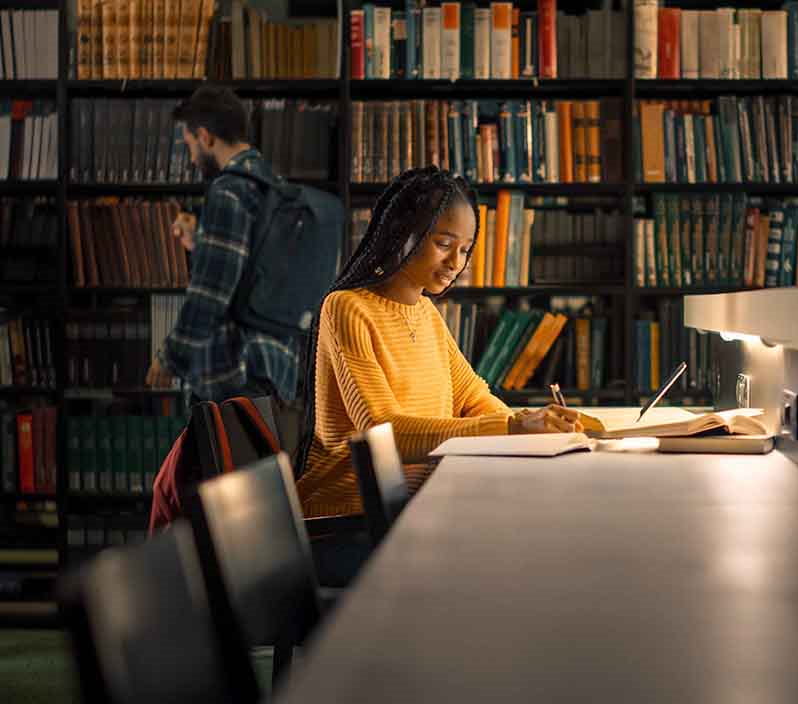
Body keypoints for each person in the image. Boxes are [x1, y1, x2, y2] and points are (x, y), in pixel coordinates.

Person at [294, 166, 581, 520]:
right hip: (351, 514)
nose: (455, 263)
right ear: (402, 233)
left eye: (465, 250)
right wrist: (510, 427)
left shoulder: (426, 313)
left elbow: (475, 400)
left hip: (417, 505)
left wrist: (533, 425)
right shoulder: (346, 308)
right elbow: (383, 433)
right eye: (443, 244)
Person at [145, 86, 300, 403]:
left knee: (227, 454)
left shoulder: (228, 191)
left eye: (189, 145)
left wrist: (169, 357)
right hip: (278, 367)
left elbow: (211, 292)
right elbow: (251, 272)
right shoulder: (273, 186)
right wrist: (202, 242)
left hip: (235, 371)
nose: (190, 157)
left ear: (206, 137)